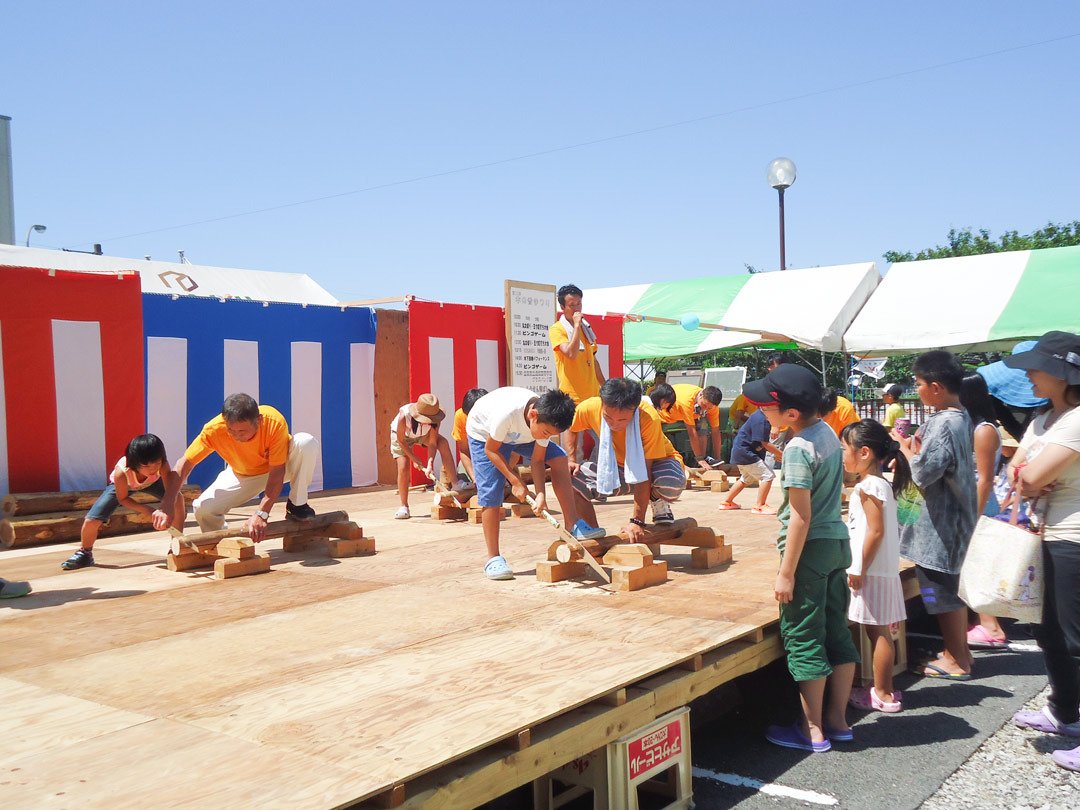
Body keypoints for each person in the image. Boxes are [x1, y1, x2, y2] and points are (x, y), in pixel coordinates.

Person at [744, 364, 859, 753]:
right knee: (837, 631)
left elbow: (799, 515)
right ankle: (838, 721)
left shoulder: (796, 448)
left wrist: (786, 573)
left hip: (808, 551)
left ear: (790, 413)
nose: (760, 413)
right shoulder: (826, 432)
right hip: (836, 543)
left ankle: (811, 730)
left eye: (765, 407)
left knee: (805, 637)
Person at [1004, 332, 1080, 772]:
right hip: (1047, 534)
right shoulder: (1045, 417)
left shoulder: (1075, 419)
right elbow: (1018, 469)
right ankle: (1064, 711)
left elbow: (1029, 478)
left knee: (1076, 638)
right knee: (1048, 630)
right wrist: (1028, 475)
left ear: (1062, 372)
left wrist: (1029, 476)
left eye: (1035, 367)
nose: (1029, 374)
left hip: (1073, 539)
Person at [893, 351, 977, 680]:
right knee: (947, 592)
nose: (917, 390)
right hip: (951, 522)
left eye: (919, 384)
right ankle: (961, 653)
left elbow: (923, 472)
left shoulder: (944, 424)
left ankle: (957, 661)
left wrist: (903, 448)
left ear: (937, 387)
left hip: (940, 529)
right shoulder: (959, 416)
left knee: (940, 595)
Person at [465, 386, 604, 580]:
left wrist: (541, 495)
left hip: (523, 434)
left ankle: (572, 524)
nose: (547, 436)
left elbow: (538, 460)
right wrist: (515, 481)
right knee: (492, 491)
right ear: (533, 414)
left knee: (559, 458)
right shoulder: (506, 413)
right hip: (484, 436)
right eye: (546, 432)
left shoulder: (543, 424)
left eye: (551, 434)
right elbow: (492, 450)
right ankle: (493, 559)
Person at [154, 393, 319, 541]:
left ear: (259, 420)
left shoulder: (273, 421)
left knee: (306, 442)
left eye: (243, 431)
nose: (237, 436)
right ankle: (220, 544)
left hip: (281, 468)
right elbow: (184, 464)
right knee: (203, 508)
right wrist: (167, 504)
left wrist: (262, 513)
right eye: (231, 430)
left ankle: (297, 505)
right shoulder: (214, 429)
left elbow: (276, 473)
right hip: (243, 474)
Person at [842, 420, 911, 714]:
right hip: (880, 570)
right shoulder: (879, 483)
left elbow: (875, 531)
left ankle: (882, 693)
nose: (843, 455)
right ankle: (884, 690)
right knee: (880, 631)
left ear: (865, 452)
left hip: (871, 571)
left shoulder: (869, 486)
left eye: (845, 449)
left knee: (878, 632)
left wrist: (858, 567)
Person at [567, 378, 687, 540]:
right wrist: (571, 459)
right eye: (608, 417)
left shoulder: (648, 418)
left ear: (635, 409)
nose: (614, 424)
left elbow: (644, 473)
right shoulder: (589, 407)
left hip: (658, 465)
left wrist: (637, 521)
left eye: (622, 420)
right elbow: (572, 428)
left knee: (669, 483)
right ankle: (594, 534)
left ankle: (656, 496)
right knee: (570, 481)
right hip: (619, 467)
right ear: (602, 404)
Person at [62, 434, 185, 570]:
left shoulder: (162, 465)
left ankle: (177, 544)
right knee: (91, 520)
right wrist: (146, 510)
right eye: (146, 466)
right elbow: (123, 499)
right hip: (125, 485)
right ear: (134, 464)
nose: (153, 469)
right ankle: (85, 553)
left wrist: (167, 512)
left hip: (153, 483)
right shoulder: (121, 472)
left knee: (178, 498)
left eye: (157, 463)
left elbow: (170, 493)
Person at [960, 372, 1009, 649]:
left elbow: (985, 478)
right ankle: (982, 622)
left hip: (980, 504)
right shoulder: (976, 426)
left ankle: (991, 627)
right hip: (975, 502)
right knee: (971, 566)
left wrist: (973, 516)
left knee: (977, 566)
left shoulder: (984, 430)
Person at [550, 284, 605, 459]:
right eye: (572, 304)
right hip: (572, 398)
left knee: (606, 439)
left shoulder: (586, 328)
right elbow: (571, 354)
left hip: (594, 396)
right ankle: (575, 479)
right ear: (562, 307)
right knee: (574, 449)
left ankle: (597, 475)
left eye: (579, 303)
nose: (577, 308)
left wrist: (605, 386)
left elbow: (593, 360)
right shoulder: (558, 329)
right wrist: (575, 326)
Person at [390, 393, 466, 520]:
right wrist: (414, 457)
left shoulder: (435, 419)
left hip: (422, 435)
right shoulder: (404, 416)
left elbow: (432, 442)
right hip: (403, 437)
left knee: (443, 444)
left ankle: (455, 482)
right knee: (403, 466)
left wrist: (430, 462)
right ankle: (404, 506)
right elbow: (401, 440)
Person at [717, 408, 780, 515]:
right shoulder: (762, 419)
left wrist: (775, 453)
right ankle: (760, 506)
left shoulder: (759, 415)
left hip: (740, 452)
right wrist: (782, 454)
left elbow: (760, 443)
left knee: (746, 478)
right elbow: (764, 443)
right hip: (745, 453)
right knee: (768, 475)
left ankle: (726, 502)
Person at [649, 383, 724, 466]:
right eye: (704, 405)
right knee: (655, 437)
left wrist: (718, 459)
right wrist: (699, 458)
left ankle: (703, 460)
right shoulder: (687, 402)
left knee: (703, 425)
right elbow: (692, 432)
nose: (704, 409)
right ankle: (656, 461)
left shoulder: (713, 407)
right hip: (666, 416)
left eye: (709, 408)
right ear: (701, 395)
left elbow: (715, 431)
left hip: (689, 415)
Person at [452, 388, 489, 483]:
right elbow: (464, 451)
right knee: (463, 481)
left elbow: (513, 453)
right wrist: (474, 478)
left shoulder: (500, 417)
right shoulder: (460, 416)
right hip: (474, 458)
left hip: (498, 459)